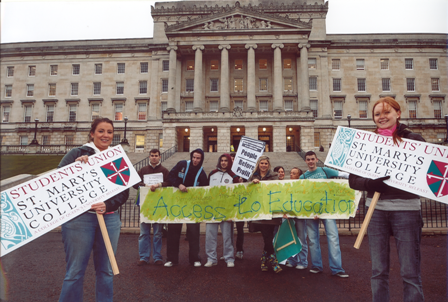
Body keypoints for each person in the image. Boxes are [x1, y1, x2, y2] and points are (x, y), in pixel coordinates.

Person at [349, 97, 425, 301]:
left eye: (387, 112)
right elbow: (353, 180)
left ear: (398, 114)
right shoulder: (366, 142)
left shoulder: (414, 140)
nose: (381, 117)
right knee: (378, 270)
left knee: (410, 272)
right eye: (377, 114)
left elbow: (425, 178)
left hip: (407, 210)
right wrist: (371, 184)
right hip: (376, 212)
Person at [58, 118, 129, 301]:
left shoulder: (116, 157)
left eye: (109, 132)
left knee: (106, 271)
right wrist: (76, 168)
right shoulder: (77, 153)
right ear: (92, 133)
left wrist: (108, 205)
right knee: (75, 271)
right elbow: (58, 182)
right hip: (79, 220)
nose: (106, 135)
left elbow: (124, 192)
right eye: (101, 131)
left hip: (109, 219)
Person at [300, 151, 349, 278]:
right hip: (311, 212)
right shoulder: (303, 177)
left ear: (316, 159)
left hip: (328, 210)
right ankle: (316, 266)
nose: (310, 161)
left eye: (312, 159)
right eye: (308, 159)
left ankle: (337, 268)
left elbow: (344, 175)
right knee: (312, 240)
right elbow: (300, 195)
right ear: (305, 161)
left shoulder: (325, 171)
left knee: (333, 238)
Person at [164, 148, 208, 267]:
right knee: (173, 232)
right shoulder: (182, 164)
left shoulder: (202, 173)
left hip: (192, 207)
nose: (195, 160)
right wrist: (179, 184)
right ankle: (171, 259)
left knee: (194, 233)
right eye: (194, 157)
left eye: (198, 158)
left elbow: (205, 189)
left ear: (201, 159)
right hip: (176, 204)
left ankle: (195, 259)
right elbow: (170, 177)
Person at [133, 149, 170, 266]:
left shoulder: (164, 171)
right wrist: (145, 185)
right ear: (149, 157)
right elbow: (134, 183)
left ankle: (157, 257)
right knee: (144, 233)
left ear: (160, 157)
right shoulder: (143, 170)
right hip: (145, 205)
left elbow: (170, 182)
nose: (154, 157)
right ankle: (144, 257)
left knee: (158, 233)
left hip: (159, 206)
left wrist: (159, 184)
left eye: (156, 156)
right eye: (152, 155)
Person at [205, 154, 240, 268]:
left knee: (227, 236)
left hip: (226, 210)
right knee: (210, 235)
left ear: (229, 162)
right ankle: (211, 258)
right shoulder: (212, 173)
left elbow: (236, 195)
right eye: (222, 160)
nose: (223, 162)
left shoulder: (233, 176)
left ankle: (229, 258)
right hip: (212, 210)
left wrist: (232, 212)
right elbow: (206, 190)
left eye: (226, 161)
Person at [249, 155, 282, 273]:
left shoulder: (273, 176)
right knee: (266, 236)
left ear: (269, 165)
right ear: (258, 164)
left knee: (269, 236)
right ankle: (273, 261)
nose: (263, 165)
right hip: (259, 211)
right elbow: (247, 191)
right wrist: (252, 184)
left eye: (265, 163)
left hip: (270, 210)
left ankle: (264, 259)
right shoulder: (252, 176)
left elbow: (277, 191)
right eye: (261, 163)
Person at [285, 167, 309, 270]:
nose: (291, 175)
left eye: (294, 173)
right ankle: (292, 260)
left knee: (301, 238)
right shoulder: (287, 186)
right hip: (290, 215)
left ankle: (302, 261)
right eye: (290, 173)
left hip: (300, 216)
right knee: (290, 238)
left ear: (299, 176)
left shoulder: (303, 187)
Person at [230, 152, 245, 260]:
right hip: (229, 204)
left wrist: (242, 182)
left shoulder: (243, 173)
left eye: (233, 159)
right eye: (230, 159)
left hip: (240, 204)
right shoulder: (226, 173)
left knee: (240, 229)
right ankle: (228, 251)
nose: (232, 161)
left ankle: (239, 250)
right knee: (228, 229)